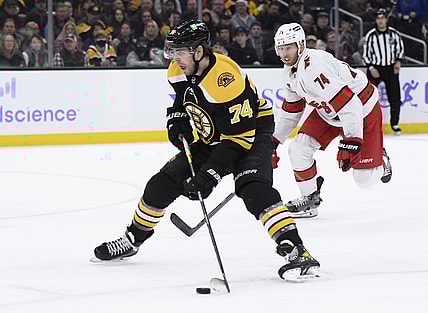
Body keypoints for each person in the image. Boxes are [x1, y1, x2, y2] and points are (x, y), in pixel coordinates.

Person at [93, 19, 320, 281]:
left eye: (180, 51)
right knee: (160, 184)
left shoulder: (226, 79)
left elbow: (238, 139)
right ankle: (133, 239)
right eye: (172, 51)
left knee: (254, 189)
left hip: (251, 133)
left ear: (199, 51)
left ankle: (297, 251)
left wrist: (209, 174)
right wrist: (176, 119)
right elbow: (182, 98)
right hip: (213, 133)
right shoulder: (178, 69)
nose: (174, 57)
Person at [271, 22, 393, 218]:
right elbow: (291, 112)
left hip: (362, 109)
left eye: (289, 47)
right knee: (298, 148)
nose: (285, 53)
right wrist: (272, 142)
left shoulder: (315, 67)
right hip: (328, 111)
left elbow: (350, 105)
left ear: (301, 45)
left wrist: (351, 142)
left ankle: (381, 157)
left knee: (364, 179)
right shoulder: (289, 73)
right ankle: (310, 201)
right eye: (281, 48)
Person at [363, 8, 405, 136]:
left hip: (390, 68)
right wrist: (370, 67)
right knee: (368, 98)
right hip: (375, 68)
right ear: (376, 20)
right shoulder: (370, 35)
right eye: (378, 18)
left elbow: (400, 49)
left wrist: (398, 62)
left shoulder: (394, 34)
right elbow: (365, 54)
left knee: (395, 97)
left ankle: (395, 123)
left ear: (386, 19)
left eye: (383, 18)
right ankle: (368, 124)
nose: (380, 21)